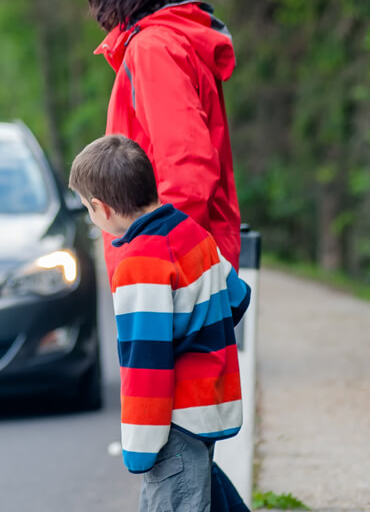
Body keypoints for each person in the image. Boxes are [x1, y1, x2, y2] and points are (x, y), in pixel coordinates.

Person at [69, 135, 250, 511]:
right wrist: (198, 336)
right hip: (206, 407)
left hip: (173, 423)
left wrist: (140, 446)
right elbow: (236, 296)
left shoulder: (139, 265)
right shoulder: (190, 232)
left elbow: (146, 362)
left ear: (102, 209)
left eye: (88, 208)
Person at [75, 0, 242, 277]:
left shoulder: (153, 49)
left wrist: (152, 264)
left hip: (171, 274)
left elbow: (188, 169)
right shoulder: (171, 39)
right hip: (188, 265)